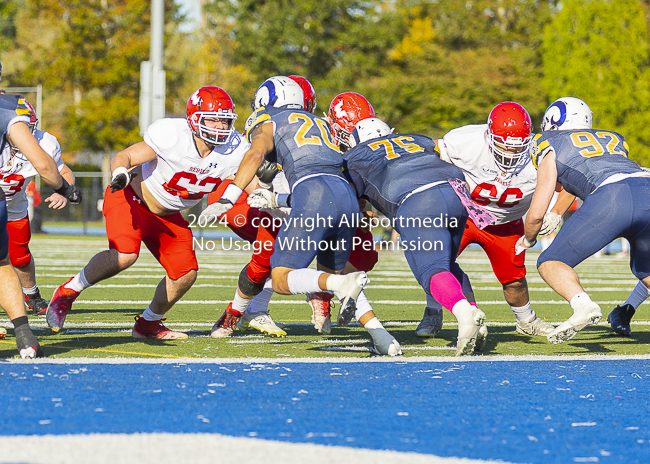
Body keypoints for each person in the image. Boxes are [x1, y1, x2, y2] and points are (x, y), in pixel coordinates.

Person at [207, 76, 401, 355]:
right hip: (311, 199)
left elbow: (256, 155)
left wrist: (232, 197)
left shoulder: (270, 120)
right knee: (293, 263)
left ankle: (321, 292)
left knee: (286, 274)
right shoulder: (325, 128)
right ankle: (382, 337)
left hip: (305, 197)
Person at [46, 86, 249, 339]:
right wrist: (119, 171)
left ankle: (148, 325)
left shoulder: (236, 149)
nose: (219, 126)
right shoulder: (173, 135)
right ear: (195, 118)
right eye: (212, 119)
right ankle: (68, 291)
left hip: (169, 215)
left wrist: (274, 193)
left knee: (185, 274)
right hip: (131, 198)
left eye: (224, 119)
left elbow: (251, 181)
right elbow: (126, 155)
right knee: (124, 255)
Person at [342, 117, 490, 356]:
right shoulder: (416, 139)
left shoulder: (356, 155)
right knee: (447, 265)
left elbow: (350, 199)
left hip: (418, 199)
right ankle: (474, 313)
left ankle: (465, 314)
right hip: (456, 192)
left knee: (431, 269)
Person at [517, 96, 650, 344]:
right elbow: (589, 173)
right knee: (646, 272)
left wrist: (528, 239)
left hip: (613, 197)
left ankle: (583, 305)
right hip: (646, 184)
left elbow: (535, 213)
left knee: (551, 262)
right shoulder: (612, 138)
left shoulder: (548, 142)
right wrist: (558, 212)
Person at [416, 102, 554, 339]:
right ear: (489, 135)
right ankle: (433, 311)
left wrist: (557, 211)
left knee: (514, 281)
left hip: (506, 224)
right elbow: (432, 157)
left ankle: (526, 321)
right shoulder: (465, 141)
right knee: (435, 264)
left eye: (517, 148)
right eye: (504, 146)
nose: (510, 154)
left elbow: (567, 184)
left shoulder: (541, 152)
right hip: (463, 216)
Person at [0, 92, 82, 357]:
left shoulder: (44, 142)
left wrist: (63, 190)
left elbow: (60, 170)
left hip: (13, 204)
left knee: (19, 256)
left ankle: (31, 294)